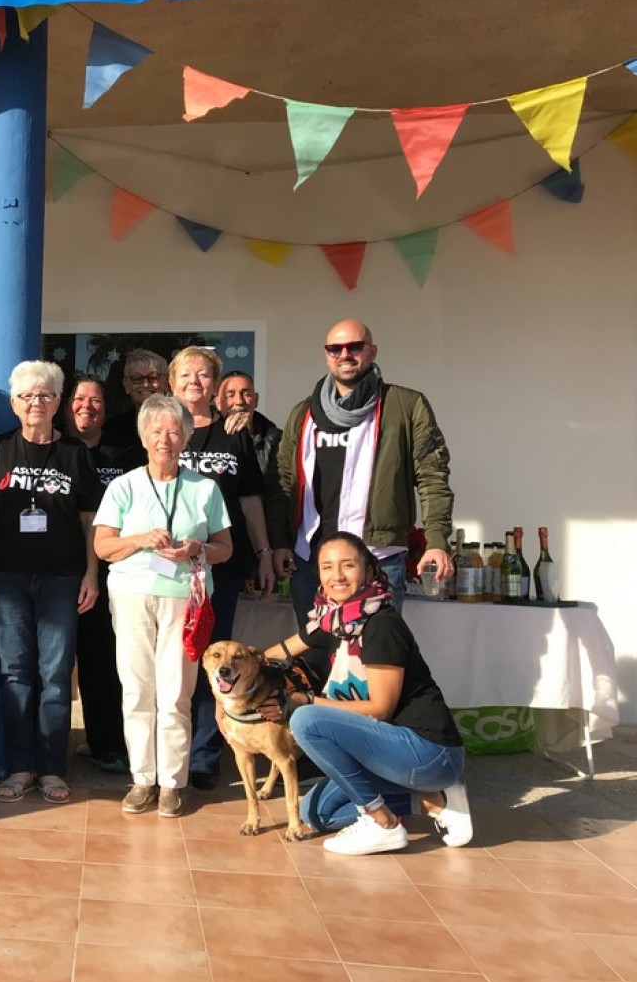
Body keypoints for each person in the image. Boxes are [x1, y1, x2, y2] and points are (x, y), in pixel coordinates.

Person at [258, 532, 471, 855]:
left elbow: (381, 708)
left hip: (428, 751)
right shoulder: (331, 622)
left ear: (368, 570)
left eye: (348, 565)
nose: (337, 576)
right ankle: (436, 800)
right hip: (388, 752)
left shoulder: (380, 624)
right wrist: (231, 690)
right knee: (314, 813)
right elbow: (276, 654)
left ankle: (381, 823)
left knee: (306, 720)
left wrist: (308, 701)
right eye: (327, 567)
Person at [93, 395, 232, 818]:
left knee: (176, 691)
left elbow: (225, 549)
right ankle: (141, 779)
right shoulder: (124, 486)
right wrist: (138, 540)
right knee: (137, 688)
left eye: (174, 431)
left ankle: (173, 781)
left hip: (183, 599)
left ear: (186, 437)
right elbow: (102, 546)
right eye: (156, 431)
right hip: (133, 595)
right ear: (143, 436)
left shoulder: (205, 488)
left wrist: (198, 548)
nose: (165, 439)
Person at [268, 319, 455, 631]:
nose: (345, 354)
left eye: (355, 346)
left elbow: (433, 476)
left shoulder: (405, 405)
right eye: (335, 348)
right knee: (317, 658)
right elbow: (283, 483)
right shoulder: (304, 413)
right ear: (326, 354)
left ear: (372, 351)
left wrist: (436, 539)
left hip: (377, 558)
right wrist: (279, 542)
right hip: (313, 560)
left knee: (376, 657)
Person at [0, 361, 103, 805]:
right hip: (7, 575)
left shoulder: (75, 454)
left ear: (59, 402)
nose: (37, 402)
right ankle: (20, 766)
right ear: (15, 403)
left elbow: (90, 519)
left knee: (55, 675)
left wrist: (92, 573)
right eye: (28, 396)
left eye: (46, 395)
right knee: (15, 673)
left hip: (62, 576)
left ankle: (52, 768)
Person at [169, 346, 277, 792]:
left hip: (221, 569)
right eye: (186, 374)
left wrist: (265, 552)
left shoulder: (235, 436)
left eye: (203, 374)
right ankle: (169, 753)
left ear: (215, 385)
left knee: (217, 666)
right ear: (172, 383)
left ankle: (205, 756)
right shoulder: (161, 430)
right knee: (174, 666)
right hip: (170, 573)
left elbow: (251, 501)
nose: (195, 381)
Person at [64, 376, 141, 775]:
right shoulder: (55, 448)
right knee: (54, 664)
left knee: (102, 663)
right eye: (79, 399)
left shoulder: (126, 453)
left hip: (113, 572)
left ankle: (106, 743)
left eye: (95, 401)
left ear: (106, 410)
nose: (87, 407)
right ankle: (47, 747)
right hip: (57, 569)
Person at [218, 370, 281, 480]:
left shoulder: (275, 439)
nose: (239, 401)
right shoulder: (210, 438)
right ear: (218, 403)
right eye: (230, 395)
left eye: (246, 394)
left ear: (256, 400)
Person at [102, 347, 168, 448]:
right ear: (127, 385)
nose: (146, 384)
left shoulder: (179, 422)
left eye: (153, 377)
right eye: (137, 378)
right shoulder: (114, 428)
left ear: (165, 382)